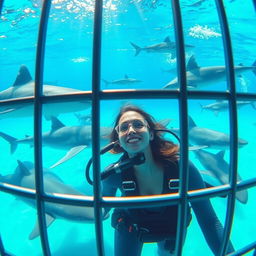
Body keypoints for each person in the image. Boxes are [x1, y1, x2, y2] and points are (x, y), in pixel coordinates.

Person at [94, 104, 234, 256]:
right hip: (131, 225)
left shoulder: (181, 167)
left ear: (151, 134)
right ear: (119, 141)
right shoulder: (113, 174)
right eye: (124, 127)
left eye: (138, 124)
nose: (131, 130)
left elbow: (209, 221)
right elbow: (104, 206)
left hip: (171, 223)